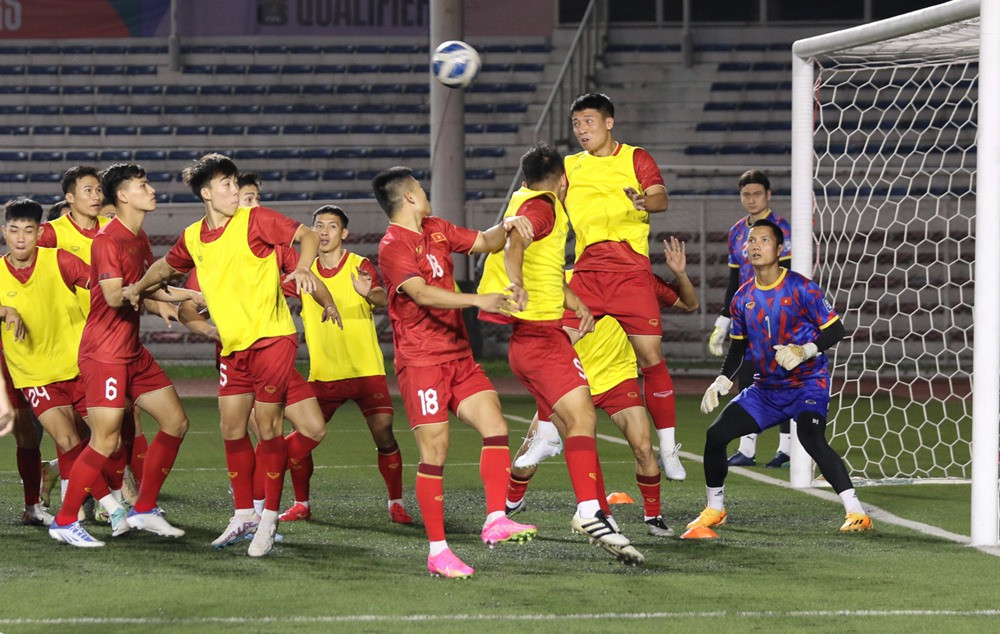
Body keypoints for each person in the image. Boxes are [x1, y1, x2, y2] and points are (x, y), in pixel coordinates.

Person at [124, 153, 329, 558]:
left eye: (236, 185)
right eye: (226, 186)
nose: (235, 192)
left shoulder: (256, 220)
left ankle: (267, 519)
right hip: (233, 348)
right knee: (231, 430)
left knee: (267, 429)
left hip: (272, 340)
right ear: (206, 193)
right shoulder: (194, 236)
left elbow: (306, 236)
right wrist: (136, 288)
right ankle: (243, 514)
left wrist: (305, 267)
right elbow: (167, 266)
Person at [478, 143, 643, 564]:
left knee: (573, 422)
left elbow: (544, 268)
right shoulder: (546, 206)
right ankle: (590, 511)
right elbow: (517, 240)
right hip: (540, 341)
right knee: (583, 416)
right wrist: (515, 281)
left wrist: (575, 302)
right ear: (563, 180)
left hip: (533, 339)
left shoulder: (524, 197)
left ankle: (581, 505)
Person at [372, 166, 538, 579]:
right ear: (409, 196)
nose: (426, 193)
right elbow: (422, 293)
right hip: (422, 362)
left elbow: (485, 241)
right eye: (421, 189)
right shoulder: (393, 245)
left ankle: (496, 519)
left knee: (495, 425)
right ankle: (437, 550)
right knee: (436, 452)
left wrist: (511, 221)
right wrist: (479, 299)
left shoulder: (438, 227)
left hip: (458, 356)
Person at [688, 219, 873, 537]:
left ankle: (856, 512)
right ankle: (715, 508)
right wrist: (721, 381)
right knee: (716, 435)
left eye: (764, 240)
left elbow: (837, 329)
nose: (756, 245)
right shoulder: (742, 298)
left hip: (807, 383)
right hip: (765, 389)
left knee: (811, 437)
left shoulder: (801, 287)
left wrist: (804, 351)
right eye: (751, 240)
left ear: (779, 248)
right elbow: (739, 348)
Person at [505, 239, 698, 539]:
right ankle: (511, 503)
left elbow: (689, 303)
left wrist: (681, 274)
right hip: (569, 384)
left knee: (644, 448)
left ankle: (653, 517)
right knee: (532, 454)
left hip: (618, 378)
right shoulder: (564, 282)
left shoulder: (637, 281)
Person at [49, 163, 196, 547]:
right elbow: (117, 296)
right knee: (104, 441)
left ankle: (144, 509)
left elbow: (150, 288)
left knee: (176, 422)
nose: (151, 190)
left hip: (132, 352)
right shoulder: (108, 239)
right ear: (124, 196)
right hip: (104, 355)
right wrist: (148, 289)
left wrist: (195, 297)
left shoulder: (139, 237)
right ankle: (65, 521)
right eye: (143, 185)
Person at [563, 92, 685, 480]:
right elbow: (544, 198)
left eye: (589, 121)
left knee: (650, 356)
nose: (582, 130)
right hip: (587, 271)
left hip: (631, 271)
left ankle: (668, 448)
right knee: (554, 346)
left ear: (609, 122)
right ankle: (546, 434)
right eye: (577, 124)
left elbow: (660, 198)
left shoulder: (636, 158)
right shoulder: (569, 166)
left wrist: (644, 203)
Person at [0, 198, 130, 531]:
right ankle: (111, 508)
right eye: (13, 230)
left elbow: (101, 285)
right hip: (36, 376)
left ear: (39, 233)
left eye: (28, 231)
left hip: (78, 367)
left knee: (110, 440)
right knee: (66, 439)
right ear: (4, 233)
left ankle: (105, 499)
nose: (20, 238)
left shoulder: (58, 260)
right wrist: (6, 311)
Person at [277, 204, 412, 525]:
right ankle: (301, 504)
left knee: (384, 434)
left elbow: (382, 296)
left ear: (344, 233)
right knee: (303, 436)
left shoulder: (359, 265)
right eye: (319, 226)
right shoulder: (302, 273)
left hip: (366, 370)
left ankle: (396, 502)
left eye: (332, 226)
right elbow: (267, 291)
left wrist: (368, 294)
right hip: (323, 374)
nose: (324, 232)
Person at [708, 169, 794, 468]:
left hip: (778, 312)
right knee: (747, 377)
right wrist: (724, 318)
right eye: (746, 194)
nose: (752, 199)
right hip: (748, 312)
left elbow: (788, 273)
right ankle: (747, 449)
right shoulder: (736, 232)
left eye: (757, 193)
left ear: (768, 195)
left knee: (781, 375)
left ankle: (787, 448)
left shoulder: (781, 228)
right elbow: (734, 279)